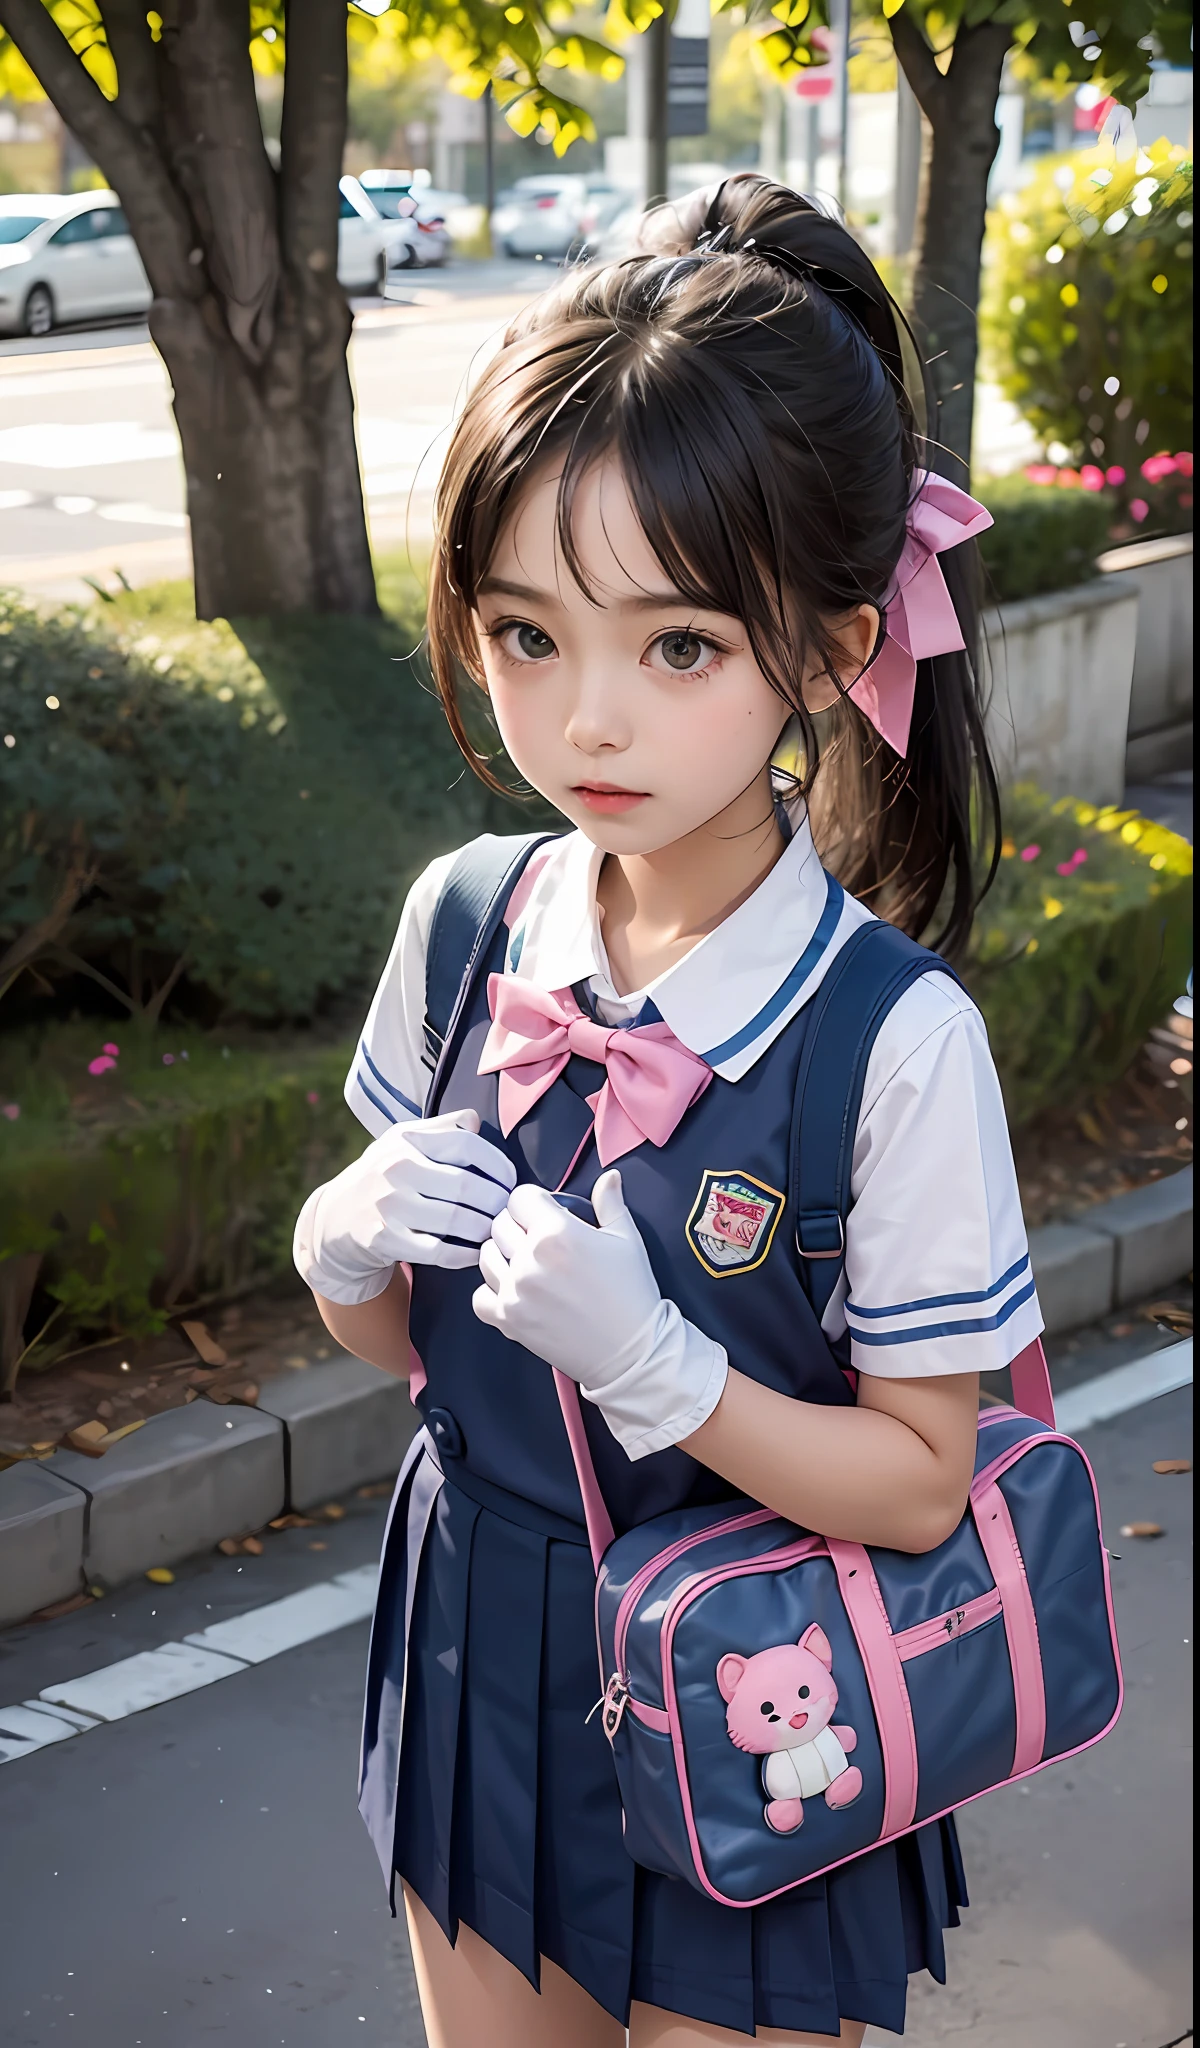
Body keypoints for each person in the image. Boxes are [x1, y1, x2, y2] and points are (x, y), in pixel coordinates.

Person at [293, 174, 1044, 2048]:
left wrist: (664, 1374)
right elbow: (397, 1345)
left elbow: (923, 1475)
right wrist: (345, 1246)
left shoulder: (894, 1040)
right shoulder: (464, 923)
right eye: (528, 635)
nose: (587, 724)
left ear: (822, 646)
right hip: (478, 1641)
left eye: (678, 646)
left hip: (767, 1684)